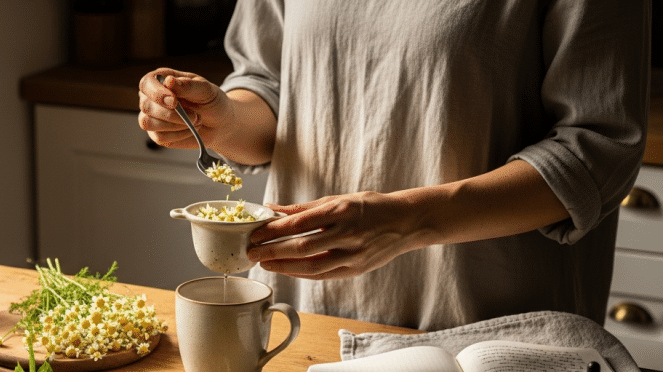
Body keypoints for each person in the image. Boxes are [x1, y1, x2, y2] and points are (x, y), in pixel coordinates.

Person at [138, 1, 651, 332]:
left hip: (490, 334)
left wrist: (407, 221)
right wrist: (222, 119)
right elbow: (272, 84)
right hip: (308, 322)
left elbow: (596, 149)